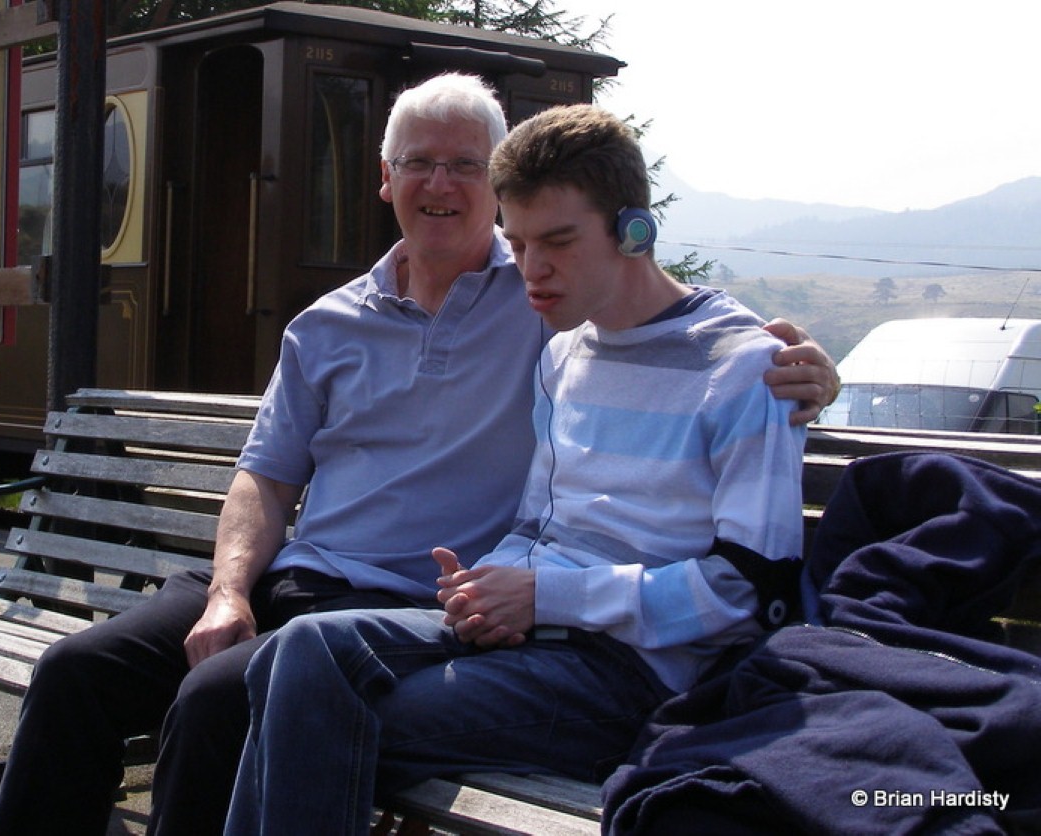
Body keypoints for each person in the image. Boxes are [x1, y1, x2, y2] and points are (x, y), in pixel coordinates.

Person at [0, 75, 834, 836]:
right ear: (384, 180)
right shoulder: (394, 330)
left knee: (238, 698)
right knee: (76, 672)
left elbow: (737, 555)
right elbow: (275, 473)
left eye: (467, 165)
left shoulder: (547, 311)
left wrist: (796, 367)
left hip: (493, 623)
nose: (535, 263)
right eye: (418, 163)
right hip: (351, 592)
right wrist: (228, 590)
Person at [223, 102, 808, 835]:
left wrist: (545, 598)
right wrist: (483, 588)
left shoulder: (744, 369)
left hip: (631, 671)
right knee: (304, 652)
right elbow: (537, 524)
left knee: (316, 709)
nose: (531, 271)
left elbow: (753, 593)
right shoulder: (564, 353)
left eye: (557, 243)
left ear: (635, 229)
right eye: (519, 241)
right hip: (528, 635)